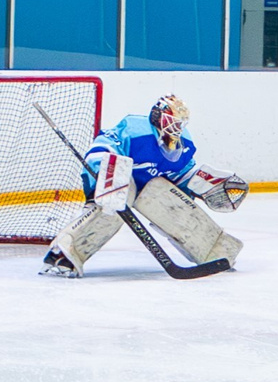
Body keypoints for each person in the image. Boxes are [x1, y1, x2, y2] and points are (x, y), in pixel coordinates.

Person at [42, 94, 247, 277]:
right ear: (158, 117)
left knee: (167, 199)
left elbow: (181, 175)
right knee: (118, 197)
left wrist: (201, 185)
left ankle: (215, 251)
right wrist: (105, 168)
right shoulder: (135, 129)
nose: (176, 128)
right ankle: (63, 254)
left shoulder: (183, 143)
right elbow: (105, 145)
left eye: (179, 123)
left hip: (148, 188)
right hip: (114, 182)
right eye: (171, 122)